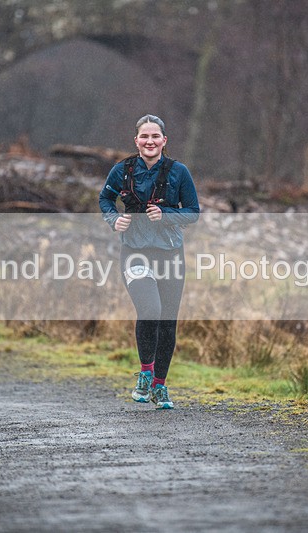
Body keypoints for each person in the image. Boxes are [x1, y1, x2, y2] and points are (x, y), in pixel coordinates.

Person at [99, 114, 200, 409]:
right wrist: (113, 218)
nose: (150, 141)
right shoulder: (122, 170)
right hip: (135, 250)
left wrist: (166, 216)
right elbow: (105, 199)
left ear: (164, 141)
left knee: (167, 322)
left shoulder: (179, 172)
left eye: (155, 136)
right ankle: (145, 373)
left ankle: (160, 387)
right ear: (137, 141)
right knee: (150, 309)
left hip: (170, 254)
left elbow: (193, 212)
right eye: (144, 137)